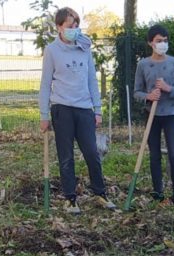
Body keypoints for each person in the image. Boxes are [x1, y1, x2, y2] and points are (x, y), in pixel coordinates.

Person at [39, 7, 116, 215]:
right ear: (59, 27)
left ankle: (100, 193)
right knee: (66, 156)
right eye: (69, 26)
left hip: (84, 109)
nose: (74, 30)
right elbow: (45, 84)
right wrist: (44, 115)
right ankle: (70, 199)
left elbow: (92, 79)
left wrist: (97, 109)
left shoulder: (84, 48)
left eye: (76, 26)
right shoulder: (52, 51)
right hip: (61, 109)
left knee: (92, 152)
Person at [133, 24, 174, 206]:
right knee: (155, 155)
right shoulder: (143, 65)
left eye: (165, 41)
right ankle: (157, 193)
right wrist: (148, 96)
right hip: (152, 115)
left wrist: (168, 89)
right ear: (150, 43)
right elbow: (136, 92)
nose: (162, 44)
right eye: (159, 41)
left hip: (170, 115)